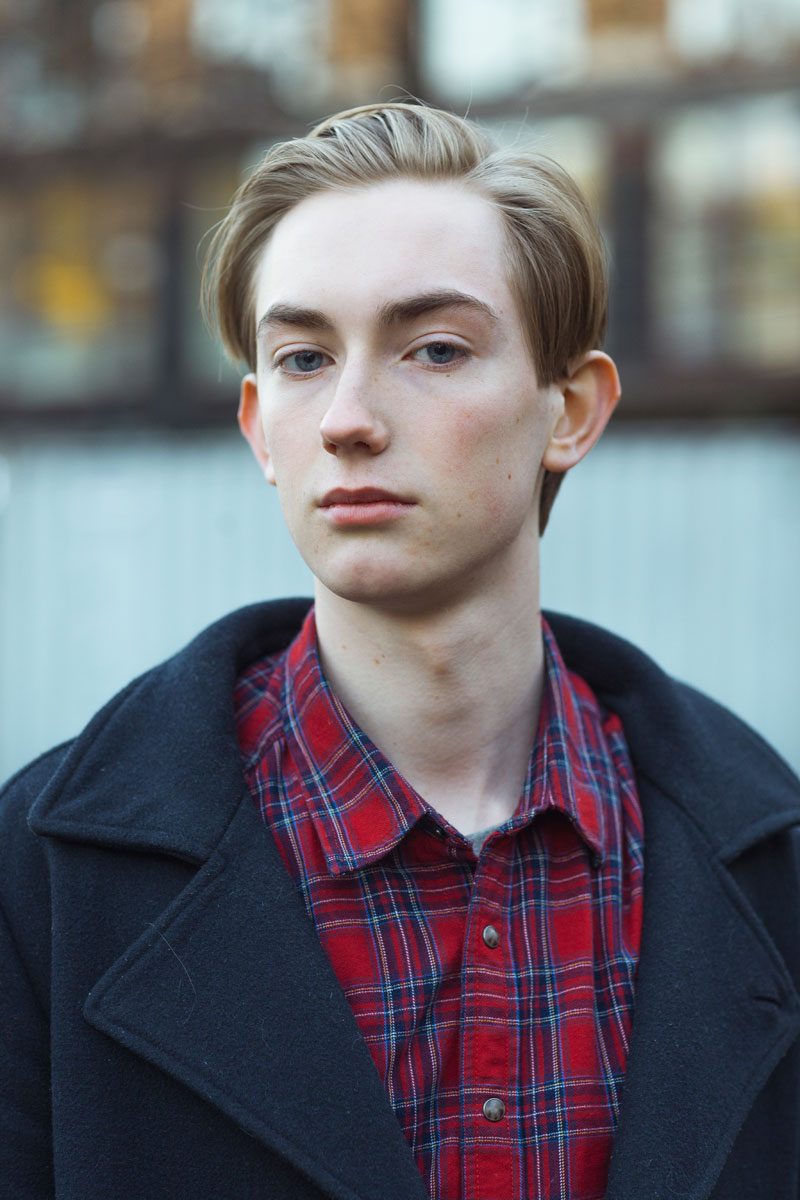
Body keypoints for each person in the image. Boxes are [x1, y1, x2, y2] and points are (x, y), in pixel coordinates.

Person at [1, 102, 799, 1200]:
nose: (348, 418)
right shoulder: (43, 882)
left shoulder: (766, 864)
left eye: (433, 349)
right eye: (302, 358)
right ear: (258, 430)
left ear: (570, 411)